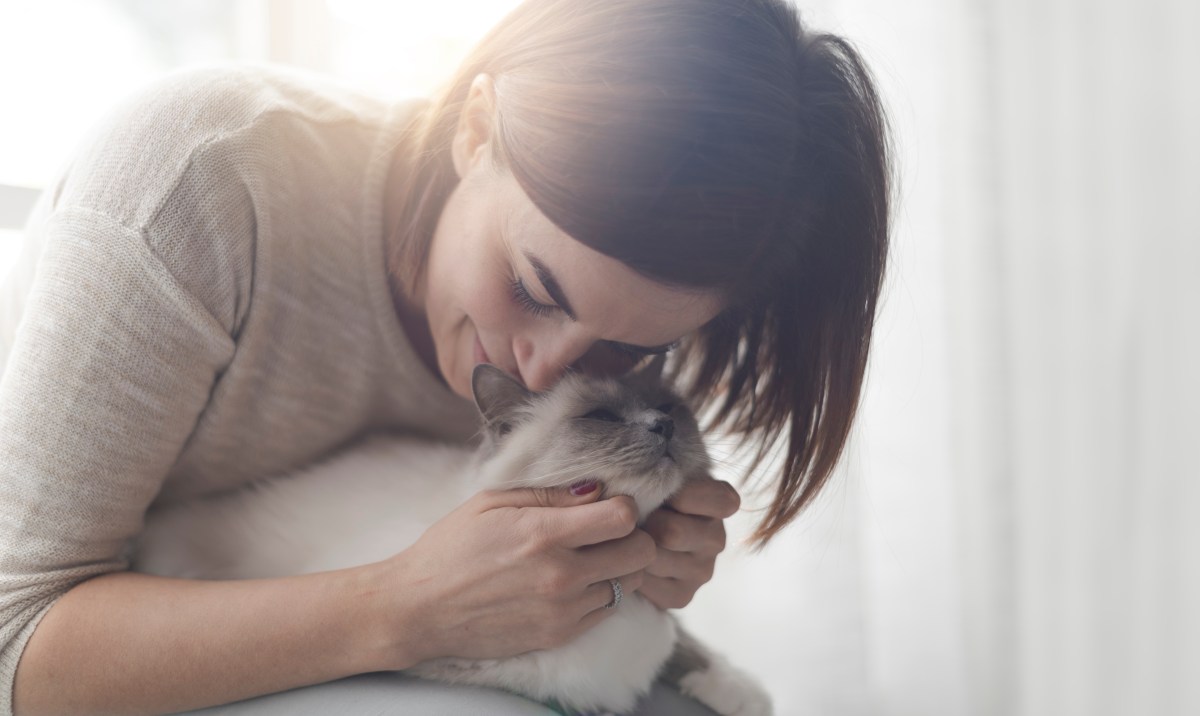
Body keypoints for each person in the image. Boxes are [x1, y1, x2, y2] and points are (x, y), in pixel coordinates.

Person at [0, 0, 891, 713]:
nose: (545, 373)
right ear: (475, 128)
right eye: (534, 288)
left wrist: (629, 578)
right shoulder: (194, 184)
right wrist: (402, 610)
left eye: (628, 349)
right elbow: (15, 642)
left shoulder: (652, 289)